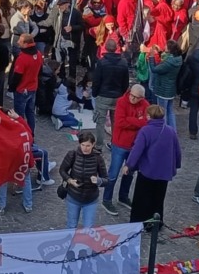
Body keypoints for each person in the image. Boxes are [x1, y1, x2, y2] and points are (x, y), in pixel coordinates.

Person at [121, 104, 181, 225]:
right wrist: (176, 165)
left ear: (149, 116)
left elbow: (137, 150)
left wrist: (129, 165)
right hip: (164, 172)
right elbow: (177, 150)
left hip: (147, 171)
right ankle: (155, 224)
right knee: (158, 200)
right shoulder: (170, 131)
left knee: (141, 199)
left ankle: (137, 223)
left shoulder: (145, 131)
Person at [102, 84, 147, 216]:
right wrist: (137, 121)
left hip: (134, 145)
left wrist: (131, 120)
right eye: (131, 95)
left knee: (130, 173)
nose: (132, 99)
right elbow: (120, 122)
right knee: (113, 173)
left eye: (136, 97)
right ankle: (106, 199)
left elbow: (146, 122)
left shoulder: (145, 104)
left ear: (141, 98)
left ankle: (123, 197)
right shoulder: (122, 101)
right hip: (119, 144)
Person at [59, 131, 105, 229]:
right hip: (73, 197)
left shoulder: (98, 158)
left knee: (88, 228)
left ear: (93, 144)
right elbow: (62, 170)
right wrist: (69, 180)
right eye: (82, 145)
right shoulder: (72, 154)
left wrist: (98, 180)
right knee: (71, 225)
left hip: (91, 199)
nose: (85, 148)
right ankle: (70, 244)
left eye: (88, 145)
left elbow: (106, 179)